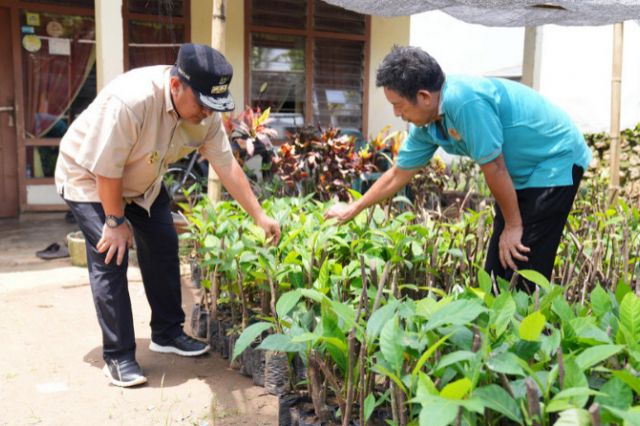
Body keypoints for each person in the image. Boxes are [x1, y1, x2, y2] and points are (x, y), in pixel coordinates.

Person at [55, 43, 281, 388]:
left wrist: (260, 215)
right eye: (203, 105)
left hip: (142, 180)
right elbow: (106, 170)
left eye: (214, 107)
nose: (207, 114)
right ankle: (118, 356)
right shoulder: (131, 101)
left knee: (162, 244)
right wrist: (115, 222)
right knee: (110, 255)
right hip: (89, 176)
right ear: (176, 86)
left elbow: (226, 165)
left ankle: (167, 332)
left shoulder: (204, 113)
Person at [325, 46, 591, 291]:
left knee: (526, 259)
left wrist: (512, 225)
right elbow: (398, 173)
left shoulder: (463, 100)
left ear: (424, 97)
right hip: (520, 173)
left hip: (554, 159)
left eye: (398, 105)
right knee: (499, 265)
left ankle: (531, 334)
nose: (396, 113)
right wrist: (354, 208)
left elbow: (495, 167)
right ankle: (499, 332)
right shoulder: (427, 125)